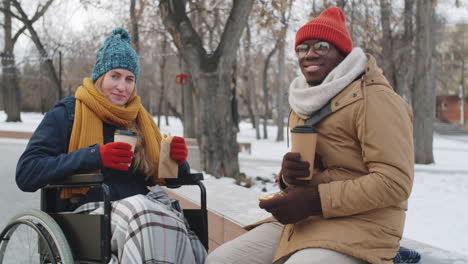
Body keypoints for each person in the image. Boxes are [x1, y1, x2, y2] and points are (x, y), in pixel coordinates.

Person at [206, 6, 414, 264]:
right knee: (221, 260)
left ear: (342, 52)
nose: (310, 54)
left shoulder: (377, 100)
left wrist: (316, 200)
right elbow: (313, 173)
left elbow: (394, 182)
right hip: (308, 221)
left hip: (364, 224)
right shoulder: (305, 100)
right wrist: (287, 176)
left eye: (322, 46)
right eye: (302, 48)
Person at [16, 28, 206, 264]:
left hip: (142, 210)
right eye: (114, 76)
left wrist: (178, 163)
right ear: (100, 77)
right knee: (144, 214)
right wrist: (95, 156)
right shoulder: (69, 112)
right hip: (87, 214)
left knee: (179, 231)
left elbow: (164, 177)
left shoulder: (140, 120)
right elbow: (26, 173)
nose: (122, 87)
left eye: (129, 79)